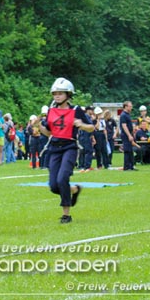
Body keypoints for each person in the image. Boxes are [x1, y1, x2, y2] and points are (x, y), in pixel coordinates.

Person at [37, 78, 93, 224]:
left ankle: (66, 214)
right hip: (54, 147)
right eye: (55, 93)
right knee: (54, 186)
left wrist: (81, 125)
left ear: (68, 95)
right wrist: (38, 126)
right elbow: (48, 133)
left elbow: (92, 127)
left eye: (60, 93)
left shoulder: (76, 110)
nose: (57, 96)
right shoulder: (51, 111)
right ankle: (74, 189)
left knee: (62, 179)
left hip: (70, 147)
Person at [120, 101, 138, 171]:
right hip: (125, 135)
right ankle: (127, 167)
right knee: (127, 150)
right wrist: (129, 135)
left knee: (130, 150)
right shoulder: (123, 115)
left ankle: (131, 166)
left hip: (129, 133)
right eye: (130, 106)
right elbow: (124, 126)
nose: (131, 107)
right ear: (126, 107)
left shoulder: (128, 114)